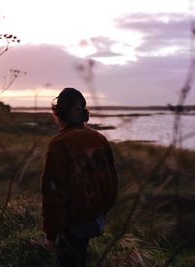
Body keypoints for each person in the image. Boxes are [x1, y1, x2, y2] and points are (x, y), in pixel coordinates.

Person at [41, 87, 118, 267]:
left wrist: (50, 234)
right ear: (80, 111)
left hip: (72, 225)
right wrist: (99, 211)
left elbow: (53, 195)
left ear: (59, 113)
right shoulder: (100, 139)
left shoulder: (59, 144)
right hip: (95, 219)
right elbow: (112, 183)